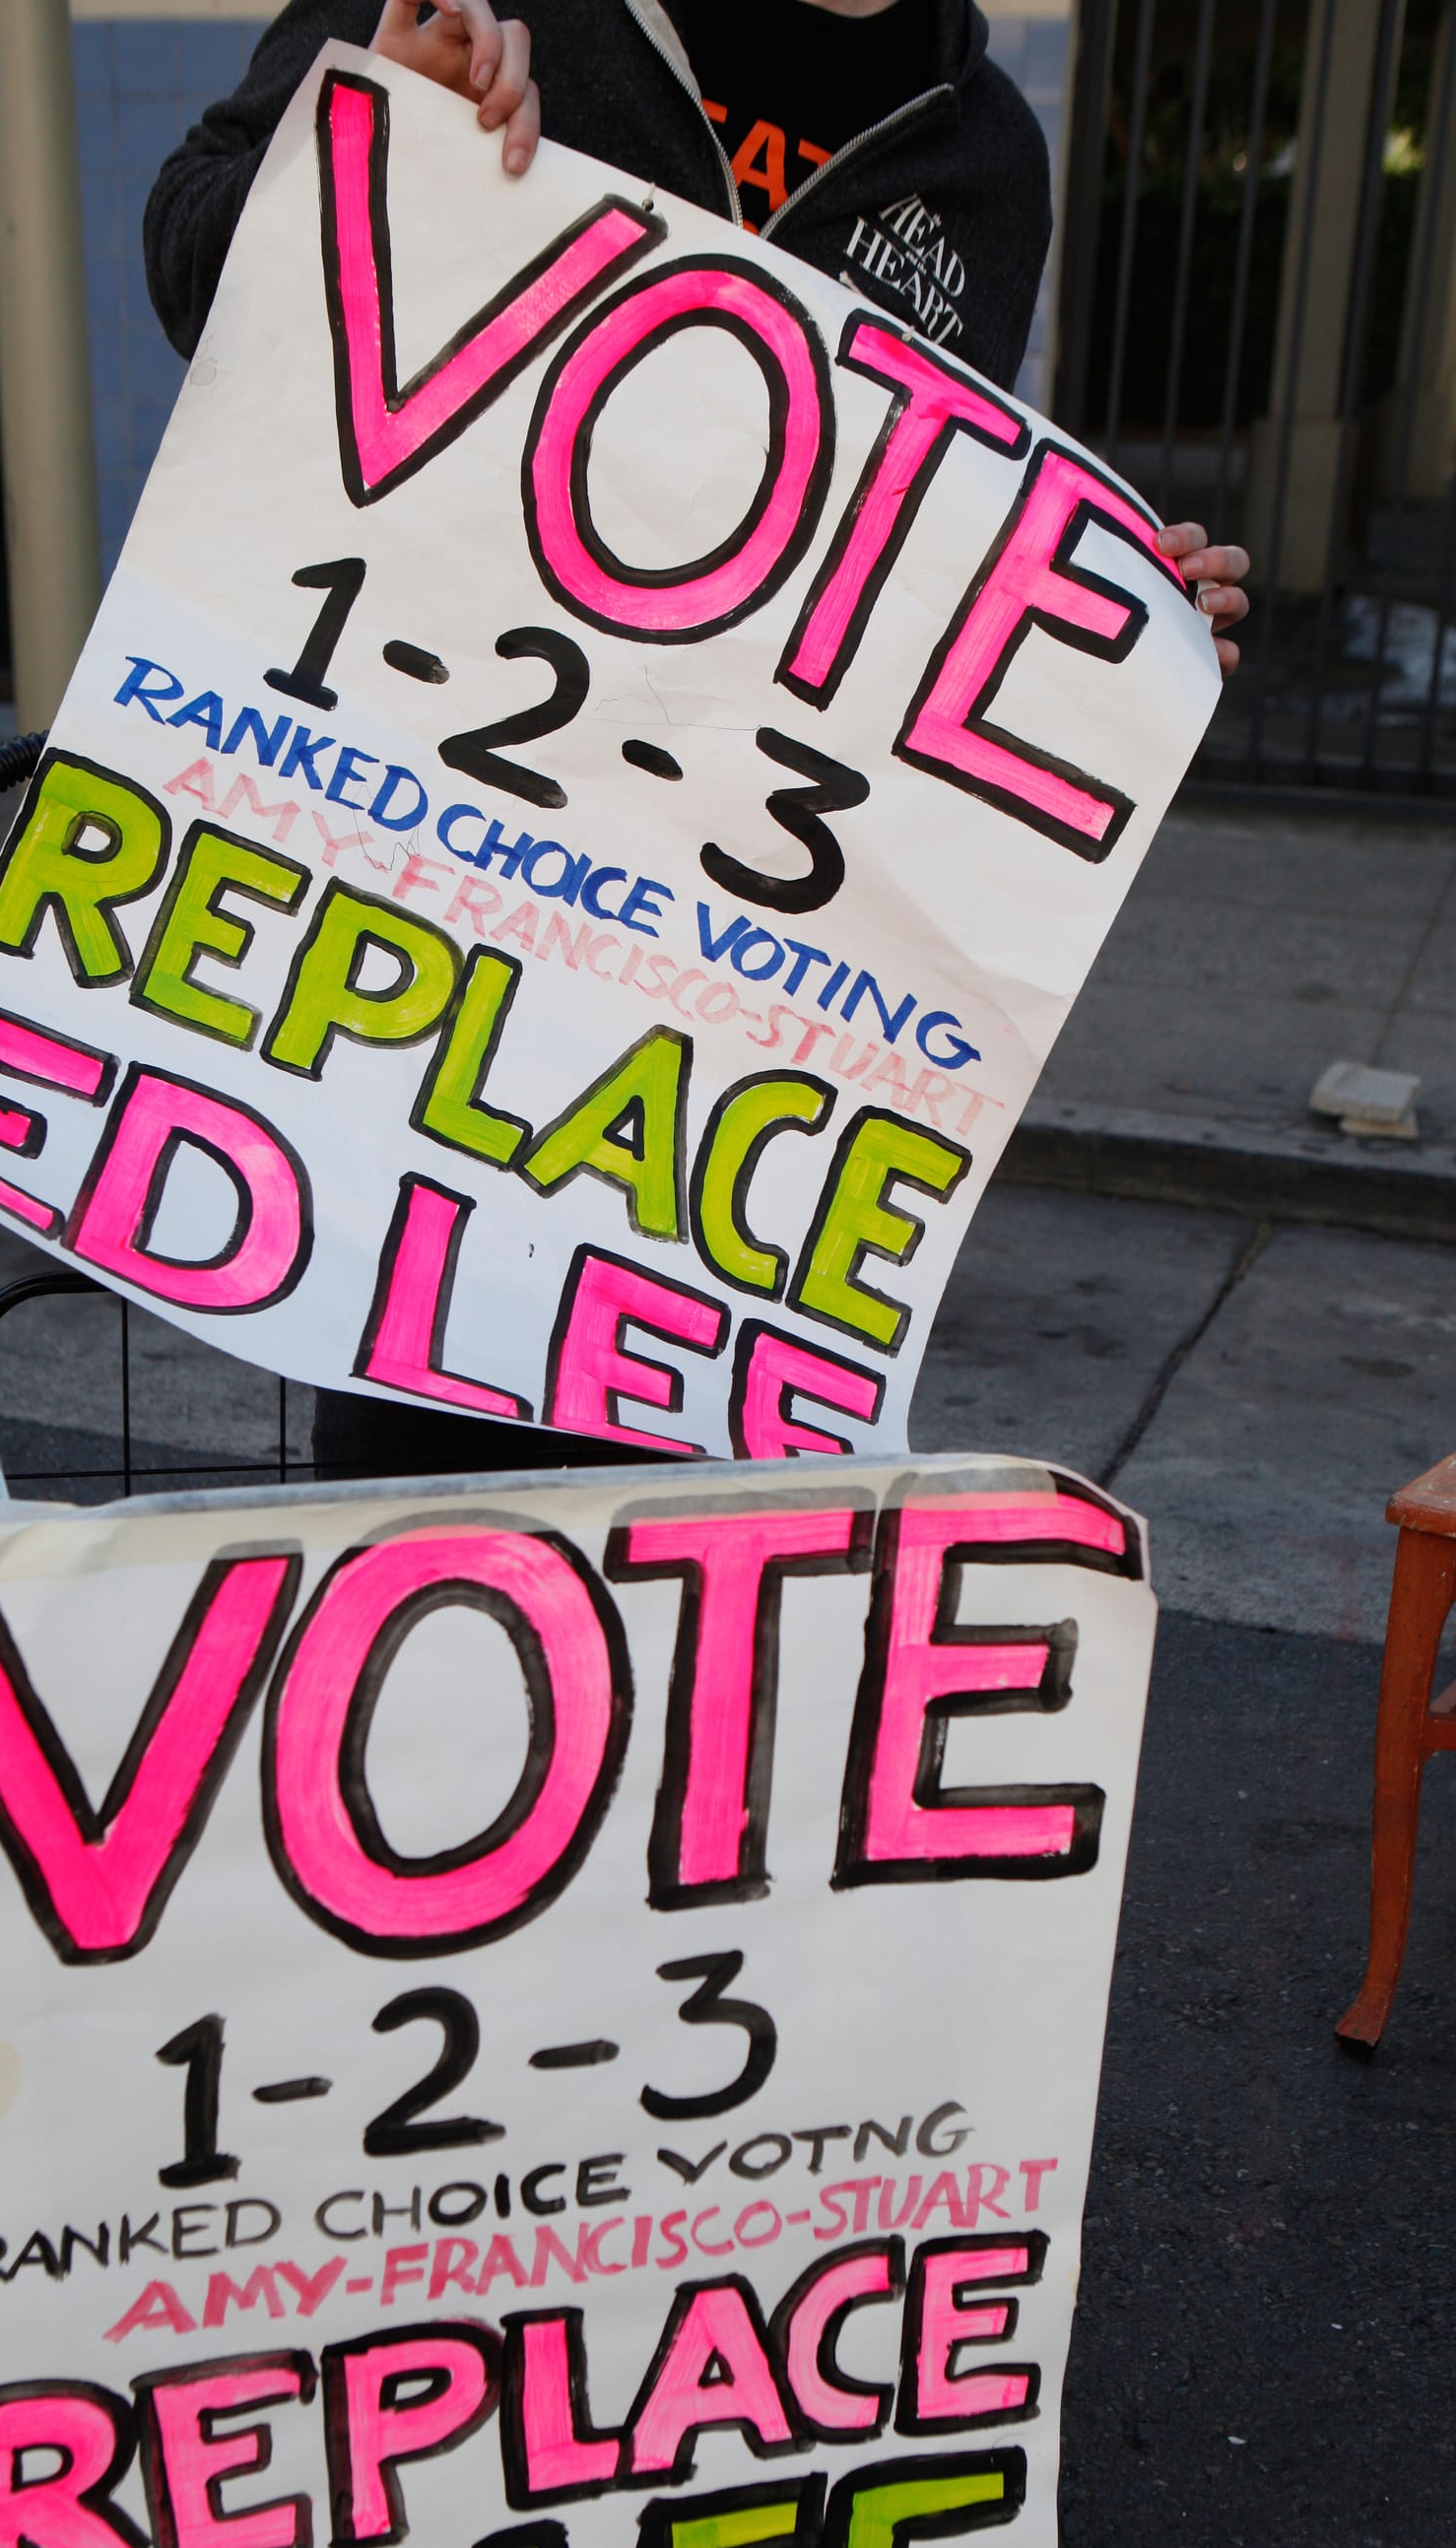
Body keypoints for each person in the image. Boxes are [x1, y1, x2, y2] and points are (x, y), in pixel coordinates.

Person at [144, 0, 1249, 1480]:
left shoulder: (986, 150)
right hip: (442, 891)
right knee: (417, 1476)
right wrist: (370, 128)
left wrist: (1104, 643)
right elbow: (192, 265)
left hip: (736, 969)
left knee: (704, 1527)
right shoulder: (473, 1)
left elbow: (907, 554)